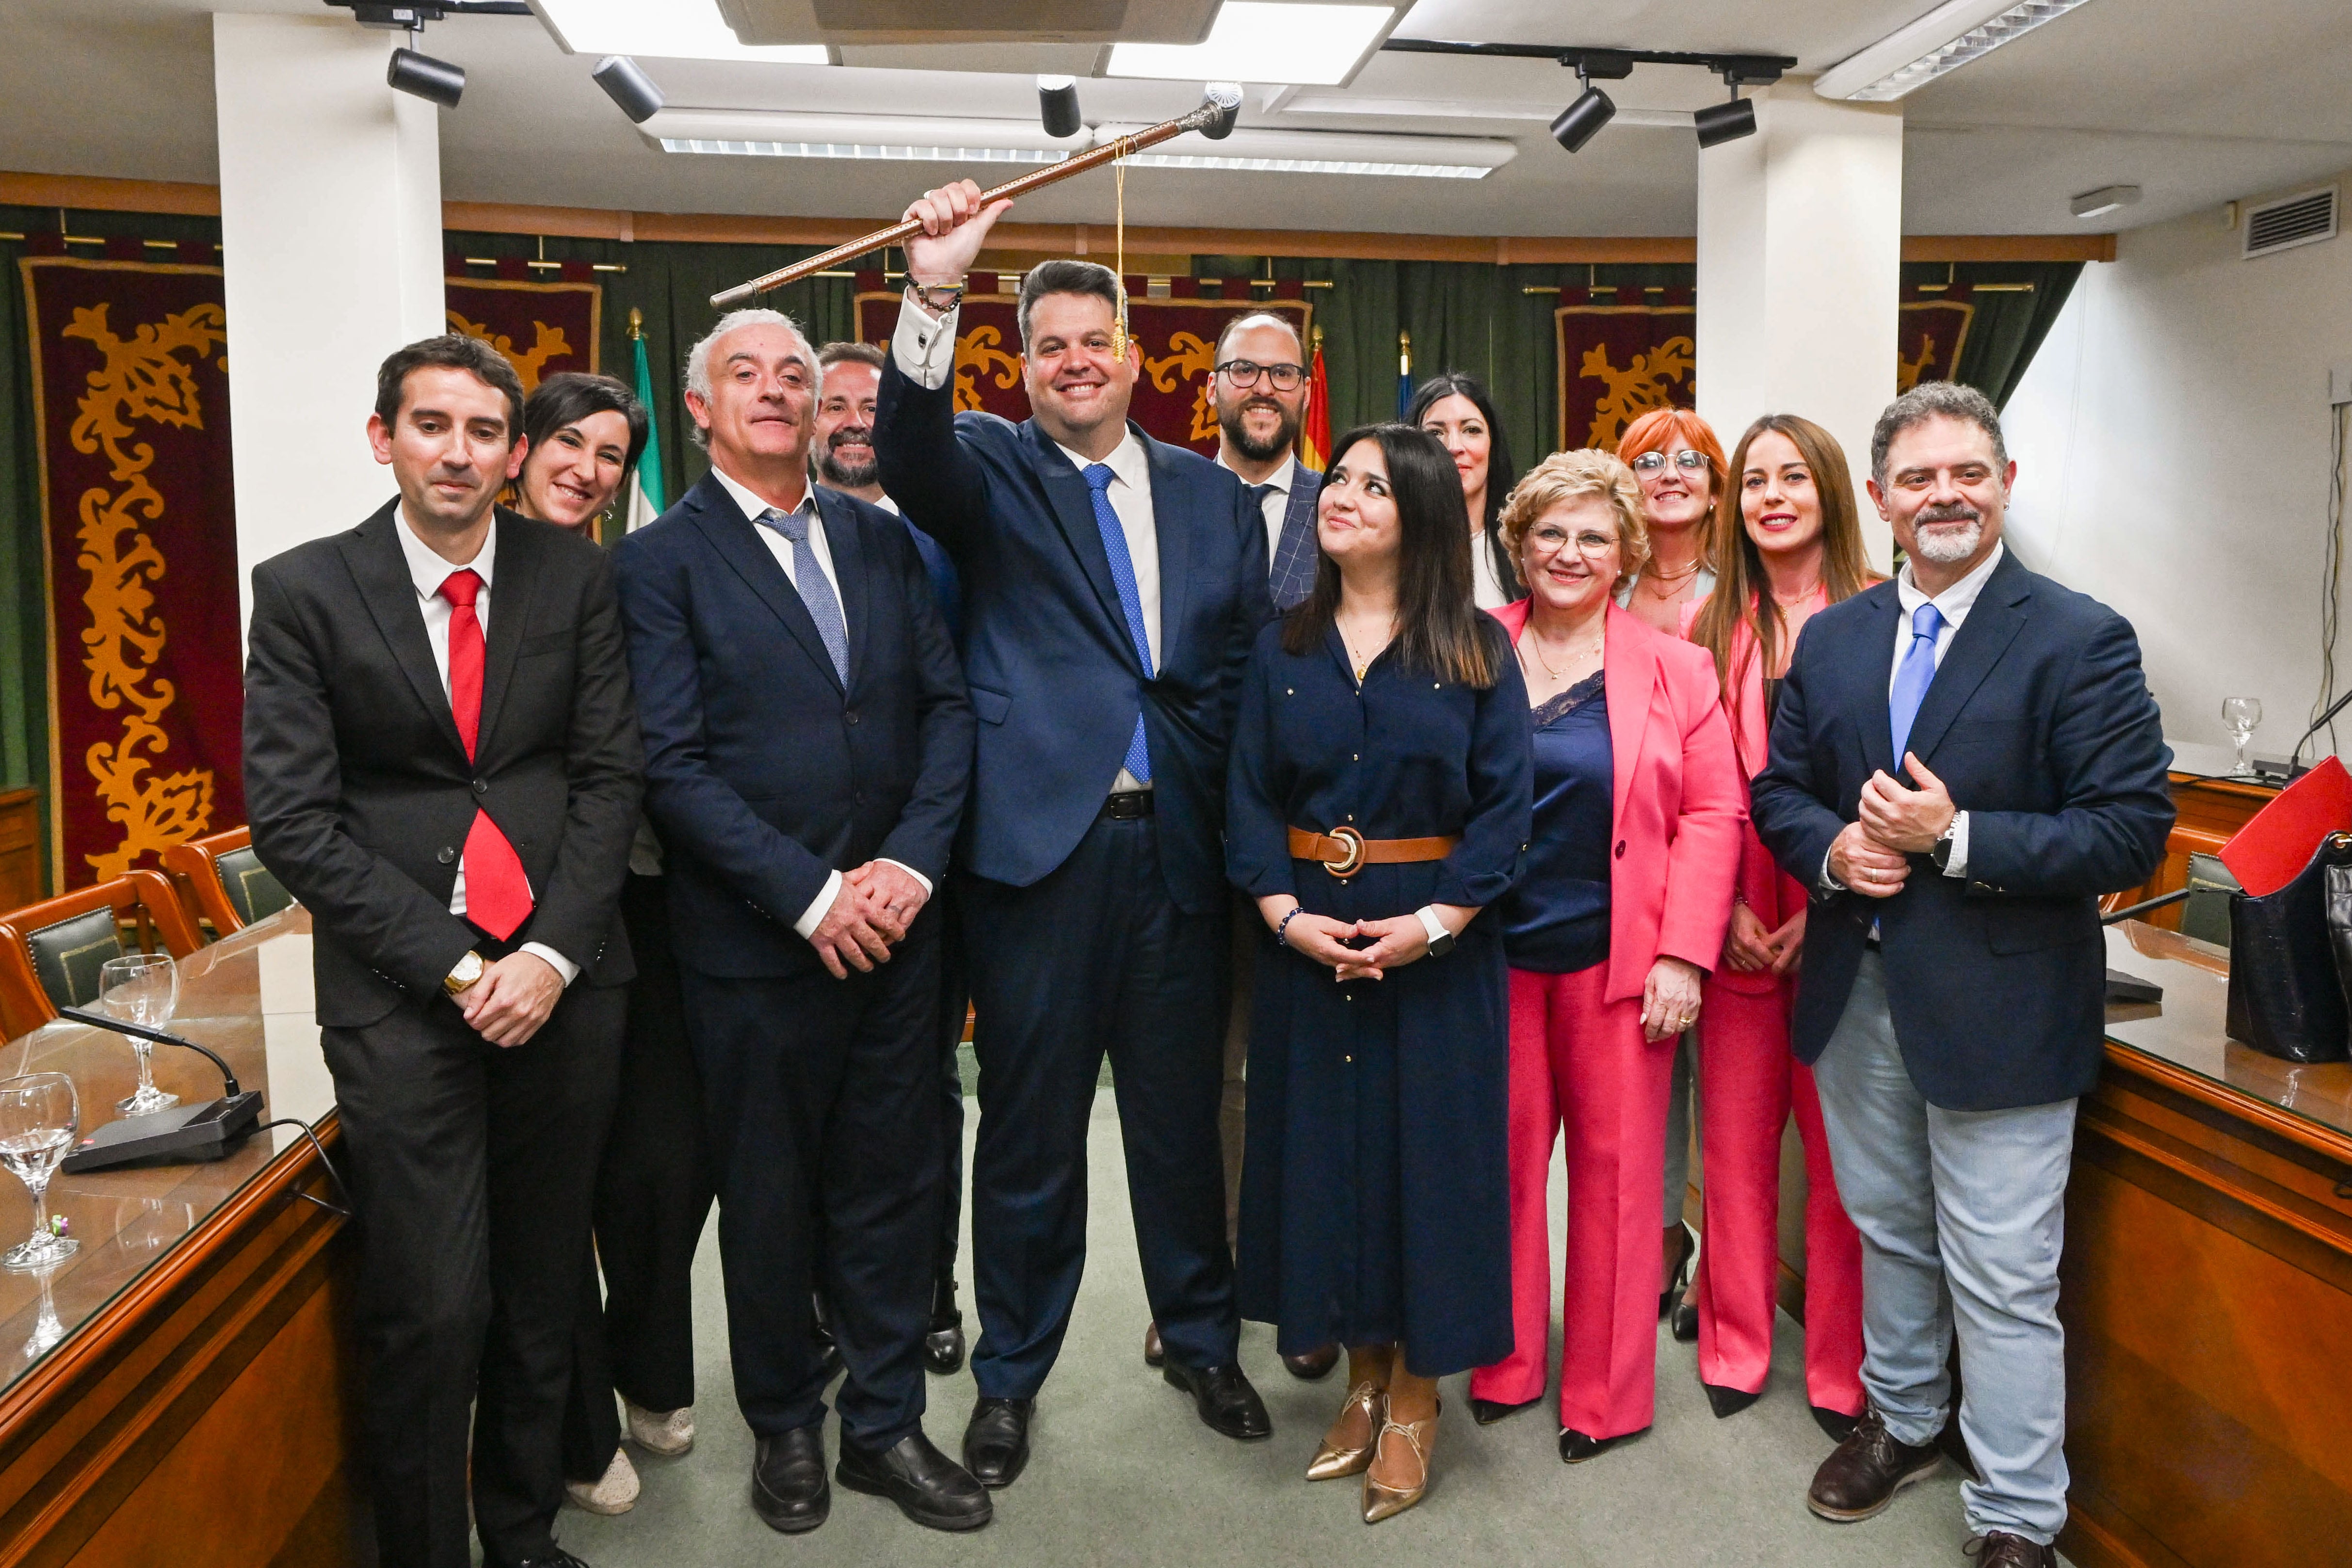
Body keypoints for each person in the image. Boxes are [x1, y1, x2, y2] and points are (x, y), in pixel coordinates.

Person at [875, 180, 1274, 1489]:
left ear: (1137, 358)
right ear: (1024, 362)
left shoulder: (1216, 499)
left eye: (1094, 341)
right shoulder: (987, 468)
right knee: (1032, 1134)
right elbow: (910, 444)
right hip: (1038, 855)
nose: (1073, 362)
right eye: (1048, 345)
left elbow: (1230, 669)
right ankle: (1009, 1379)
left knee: (1176, 1123)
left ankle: (1203, 1341)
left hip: (1179, 855)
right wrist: (934, 287)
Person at [1750, 383, 2174, 1568]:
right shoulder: (1831, 638)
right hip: (1858, 995)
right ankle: (1903, 1424)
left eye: (1967, 473)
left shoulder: (2075, 637)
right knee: (1886, 1231)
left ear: (2003, 483)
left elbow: (2128, 831)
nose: (1944, 495)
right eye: (1919, 478)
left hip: (2002, 1007)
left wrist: (1958, 836)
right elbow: (1776, 794)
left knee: (1998, 1272)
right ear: (1879, 500)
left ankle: (2017, 1515)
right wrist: (1830, 850)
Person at [244, 334, 641, 1568]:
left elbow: (608, 773)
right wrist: (462, 969)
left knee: (537, 1293)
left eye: (482, 432)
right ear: (384, 439)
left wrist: (550, 959)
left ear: (512, 454)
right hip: (404, 998)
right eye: (431, 426)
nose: (457, 452)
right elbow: (294, 821)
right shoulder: (306, 588)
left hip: (564, 987)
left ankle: (519, 1539)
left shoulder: (569, 577)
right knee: (430, 1303)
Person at [614, 309, 987, 1535]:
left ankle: (881, 1424)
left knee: (891, 1184)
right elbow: (669, 765)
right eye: (745, 375)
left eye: (798, 376)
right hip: (755, 948)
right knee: (770, 1198)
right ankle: (784, 1421)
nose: (777, 392)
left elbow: (947, 714)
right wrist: (813, 895)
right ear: (704, 409)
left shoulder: (883, 544)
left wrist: (907, 871)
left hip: (898, 934)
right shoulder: (656, 564)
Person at [1226, 422, 1530, 1523]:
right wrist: (1281, 913)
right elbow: (1248, 798)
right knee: (1329, 1167)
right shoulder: (1283, 646)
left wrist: (1436, 923)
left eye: (1367, 484)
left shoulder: (1477, 652)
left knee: (1426, 1178)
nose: (1336, 495)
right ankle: (1355, 1384)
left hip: (1437, 958)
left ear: (1422, 514)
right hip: (1307, 947)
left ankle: (1413, 1399)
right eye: (1335, 480)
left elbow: (1505, 813)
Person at [1466, 449, 1744, 1461]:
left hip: (1620, 965)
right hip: (1487, 960)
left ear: (1627, 552)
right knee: (1497, 1170)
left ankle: (1608, 1393)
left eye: (1593, 535)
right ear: (1519, 543)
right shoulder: (1469, 648)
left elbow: (1716, 812)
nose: (1570, 553)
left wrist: (1685, 954)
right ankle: (1503, 1363)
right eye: (1550, 532)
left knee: (1619, 1181)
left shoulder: (1676, 665)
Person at [501, 372, 700, 1523]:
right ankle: (578, 1427)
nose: (586, 469)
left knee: (663, 1166)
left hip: (655, 907)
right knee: (557, 1193)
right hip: (531, 926)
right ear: (522, 453)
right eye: (566, 445)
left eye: (611, 454)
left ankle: (653, 1371)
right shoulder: (491, 576)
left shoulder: (624, 571)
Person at [1141, 310, 1338, 1385]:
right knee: (1199, 1078)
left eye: (1282, 372)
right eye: (1242, 371)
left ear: (1306, 390)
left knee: (1302, 1072)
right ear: (1208, 386)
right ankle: (1200, 1292)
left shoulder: (1344, 504)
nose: (1262, 387)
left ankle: (1303, 1284)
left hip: (1316, 848)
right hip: (1185, 837)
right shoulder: (1168, 500)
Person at [1679, 414, 1873, 1437]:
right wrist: (1726, 909)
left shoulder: (1883, 617)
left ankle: (1842, 1369)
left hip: (1847, 921)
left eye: (1793, 477)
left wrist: (1822, 901)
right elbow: (1687, 788)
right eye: (1754, 481)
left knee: (1845, 1166)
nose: (1771, 497)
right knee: (1737, 1151)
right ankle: (1736, 1344)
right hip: (1734, 917)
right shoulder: (1707, 630)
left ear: (1829, 492)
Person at [813, 337, 969, 1378]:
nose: (855, 419)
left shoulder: (945, 536)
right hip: (799, 883)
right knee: (818, 1105)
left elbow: (962, 701)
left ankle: (930, 1289)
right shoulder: (750, 540)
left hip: (929, 862)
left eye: (875, 403)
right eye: (835, 404)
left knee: (923, 1099)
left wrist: (914, 859)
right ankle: (829, 1301)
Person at [1613, 406, 1726, 1334]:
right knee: (1650, 1073)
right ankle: (1657, 1238)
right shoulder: (1595, 588)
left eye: (1692, 460)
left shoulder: (1739, 599)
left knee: (1727, 1080)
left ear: (1716, 483)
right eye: (1650, 460)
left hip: (1729, 857)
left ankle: (1726, 1252)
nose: (1672, 473)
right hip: (1622, 873)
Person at [1406, 372, 1518, 610]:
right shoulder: (1390, 548)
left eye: (1472, 430)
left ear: (1493, 445)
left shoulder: (1524, 549)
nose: (1454, 447)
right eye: (1435, 433)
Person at [513, 371, 647, 541]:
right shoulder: (471, 559)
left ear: (620, 485)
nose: (587, 473)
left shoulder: (621, 568)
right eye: (570, 442)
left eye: (608, 457)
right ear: (522, 451)